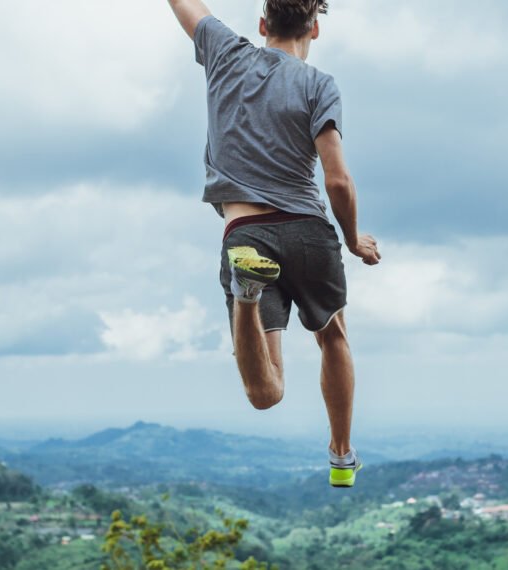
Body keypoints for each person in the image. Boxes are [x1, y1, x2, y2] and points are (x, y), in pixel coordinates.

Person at [167, 0, 381, 487]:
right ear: (315, 29)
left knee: (266, 393)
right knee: (333, 336)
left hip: (246, 233)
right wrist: (352, 240)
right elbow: (339, 181)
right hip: (307, 229)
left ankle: (248, 294)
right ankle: (342, 454)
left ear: (263, 25)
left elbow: (184, 4)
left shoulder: (224, 50)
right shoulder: (318, 84)